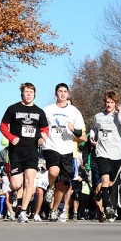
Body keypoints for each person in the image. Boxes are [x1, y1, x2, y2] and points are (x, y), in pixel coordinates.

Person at [0, 82, 49, 223]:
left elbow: (45, 129)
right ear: (22, 93)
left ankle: (23, 211)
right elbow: (3, 126)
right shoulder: (13, 108)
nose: (28, 94)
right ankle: (15, 193)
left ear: (34, 94)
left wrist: (43, 137)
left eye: (31, 92)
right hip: (16, 151)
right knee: (16, 184)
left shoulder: (39, 112)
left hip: (32, 151)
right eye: (26, 91)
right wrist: (11, 137)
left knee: (30, 182)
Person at [42, 83, 87, 222]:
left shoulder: (74, 111)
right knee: (54, 171)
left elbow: (83, 136)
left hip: (67, 150)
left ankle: (54, 210)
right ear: (56, 93)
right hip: (50, 146)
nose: (62, 94)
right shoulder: (47, 110)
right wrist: (41, 137)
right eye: (60, 91)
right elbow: (40, 128)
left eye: (65, 91)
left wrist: (74, 130)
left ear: (68, 94)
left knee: (63, 185)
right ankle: (50, 187)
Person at [89, 90, 121, 221]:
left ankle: (101, 194)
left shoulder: (120, 117)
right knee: (105, 180)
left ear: (116, 103)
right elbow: (94, 128)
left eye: (112, 102)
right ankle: (107, 208)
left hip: (117, 154)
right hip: (102, 153)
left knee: (110, 182)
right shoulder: (98, 116)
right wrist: (92, 135)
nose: (109, 105)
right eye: (107, 102)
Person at [0, 136, 16, 220]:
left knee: (11, 195)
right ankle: (11, 213)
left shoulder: (4, 152)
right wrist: (3, 164)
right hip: (6, 175)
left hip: (15, 175)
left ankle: (13, 211)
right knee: (8, 195)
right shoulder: (3, 152)